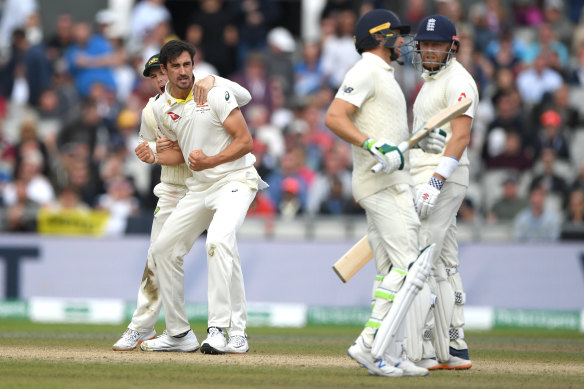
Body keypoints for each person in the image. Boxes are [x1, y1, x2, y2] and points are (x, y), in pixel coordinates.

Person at [325, 9, 446, 378]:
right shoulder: (364, 70)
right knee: (411, 264)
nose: (401, 40)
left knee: (389, 269)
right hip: (381, 185)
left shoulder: (384, 75)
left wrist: (416, 141)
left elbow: (390, 138)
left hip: (392, 181)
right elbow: (335, 117)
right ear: (379, 36)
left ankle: (389, 351)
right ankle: (369, 344)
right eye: (395, 33)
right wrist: (374, 145)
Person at [112, 53, 252, 351]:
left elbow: (244, 100)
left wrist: (214, 80)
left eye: (182, 66)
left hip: (218, 179)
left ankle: (230, 330)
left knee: (221, 245)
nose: (164, 78)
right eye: (158, 74)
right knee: (160, 253)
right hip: (180, 187)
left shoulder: (205, 87)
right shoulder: (155, 109)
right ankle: (158, 329)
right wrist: (152, 153)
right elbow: (163, 148)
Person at [408, 15, 478, 370]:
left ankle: (422, 347)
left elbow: (461, 137)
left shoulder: (459, 80)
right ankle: (454, 346)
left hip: (444, 179)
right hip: (427, 173)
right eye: (426, 44)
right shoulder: (429, 82)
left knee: (422, 256)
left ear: (452, 45)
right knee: (445, 260)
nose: (430, 50)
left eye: (437, 44)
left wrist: (436, 182)